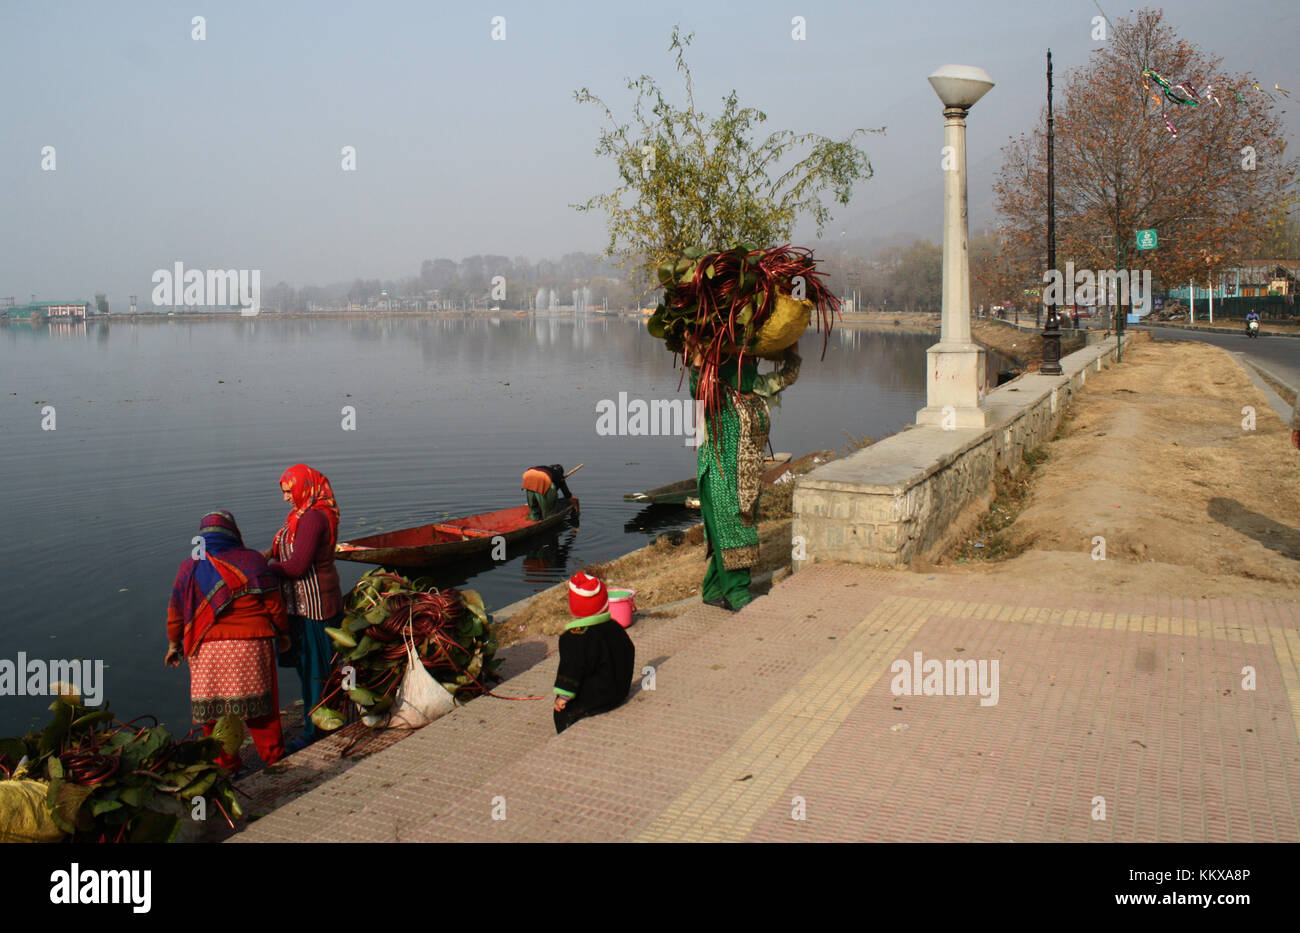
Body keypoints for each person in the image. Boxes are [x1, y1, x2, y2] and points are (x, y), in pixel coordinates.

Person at [165, 510, 290, 772]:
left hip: (207, 650)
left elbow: (176, 612)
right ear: (234, 533)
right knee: (263, 712)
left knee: (214, 716)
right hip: (252, 645)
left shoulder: (189, 568)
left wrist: (174, 645)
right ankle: (274, 760)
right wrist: (284, 635)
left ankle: (226, 766)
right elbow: (274, 605)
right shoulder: (252, 561)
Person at [689, 336, 800, 612]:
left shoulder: (758, 388)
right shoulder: (720, 393)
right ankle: (737, 593)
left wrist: (792, 346)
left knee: (731, 533)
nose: (749, 364)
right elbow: (697, 389)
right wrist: (698, 355)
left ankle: (713, 589)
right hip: (721, 477)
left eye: (751, 359)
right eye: (744, 360)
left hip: (748, 479)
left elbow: (788, 375)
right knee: (734, 534)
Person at [267, 464, 343, 752]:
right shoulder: (298, 516)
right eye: (284, 493)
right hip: (299, 607)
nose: (286, 498)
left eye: (289, 491)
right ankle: (320, 720)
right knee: (306, 666)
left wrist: (267, 571)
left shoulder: (312, 519)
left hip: (316, 607)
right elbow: (281, 548)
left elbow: (297, 567)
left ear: (303, 488)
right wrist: (262, 556)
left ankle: (316, 731)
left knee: (316, 670)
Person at [553, 572, 635, 734]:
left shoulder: (573, 638)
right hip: (619, 691)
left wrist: (563, 696)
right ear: (605, 605)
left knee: (561, 713)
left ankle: (565, 732)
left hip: (594, 699)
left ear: (574, 608)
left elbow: (571, 670)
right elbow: (628, 651)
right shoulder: (615, 627)